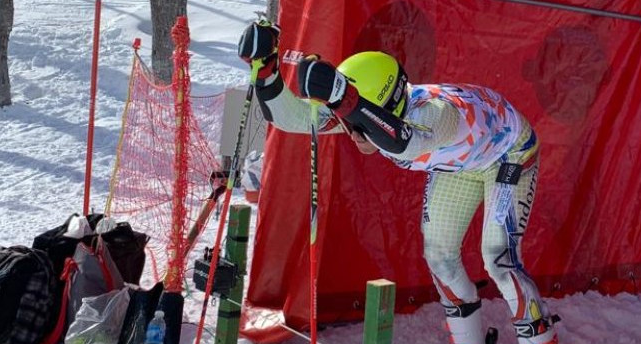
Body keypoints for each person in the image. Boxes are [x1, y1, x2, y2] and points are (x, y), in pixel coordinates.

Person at [237, 21, 559, 344]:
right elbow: (293, 118)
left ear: (380, 107)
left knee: (498, 256)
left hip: (508, 153)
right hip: (461, 161)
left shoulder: (438, 114)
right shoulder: (370, 114)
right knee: (440, 256)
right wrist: (265, 71)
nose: (353, 134)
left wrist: (346, 99)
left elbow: (405, 143)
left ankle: (541, 338)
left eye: (357, 122)